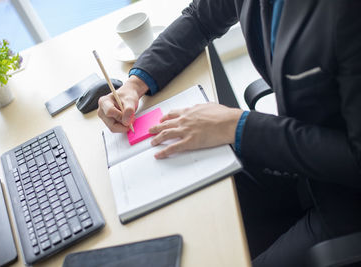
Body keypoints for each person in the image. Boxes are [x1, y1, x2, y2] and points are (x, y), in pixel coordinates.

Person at [98, 0, 361, 266]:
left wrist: (237, 126)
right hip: (300, 167)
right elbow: (201, 18)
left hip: (344, 202)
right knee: (190, 211)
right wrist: (135, 84)